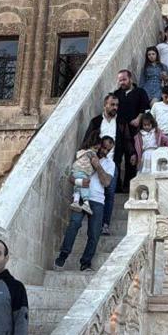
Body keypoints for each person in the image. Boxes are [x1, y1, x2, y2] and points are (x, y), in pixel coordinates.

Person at [55, 136, 115, 271]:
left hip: (98, 201)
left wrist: (98, 166)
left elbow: (106, 182)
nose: (104, 151)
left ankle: (85, 263)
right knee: (74, 224)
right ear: (98, 145)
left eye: (108, 149)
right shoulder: (84, 155)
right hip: (80, 197)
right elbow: (71, 176)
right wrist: (80, 182)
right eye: (103, 147)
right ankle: (63, 255)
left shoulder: (110, 164)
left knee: (94, 233)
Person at [83, 94, 132, 236]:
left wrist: (132, 154)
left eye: (117, 105)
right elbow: (88, 139)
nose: (115, 107)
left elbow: (127, 139)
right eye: (112, 104)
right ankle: (90, 219)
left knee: (110, 193)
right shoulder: (96, 121)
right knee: (91, 189)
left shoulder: (121, 122)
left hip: (112, 163)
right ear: (105, 105)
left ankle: (105, 224)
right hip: (95, 162)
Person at [69, 131, 101, 215]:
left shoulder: (81, 152)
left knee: (78, 187)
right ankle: (86, 203)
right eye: (96, 148)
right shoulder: (91, 153)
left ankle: (75, 201)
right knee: (85, 186)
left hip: (75, 171)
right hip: (83, 172)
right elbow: (95, 164)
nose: (97, 151)